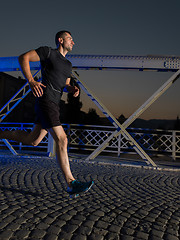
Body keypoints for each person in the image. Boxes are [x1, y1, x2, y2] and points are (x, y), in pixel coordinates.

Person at [0, 30, 94, 197]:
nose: (73, 42)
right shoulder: (48, 52)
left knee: (33, 140)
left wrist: (71, 88)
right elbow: (23, 58)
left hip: (54, 104)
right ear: (60, 40)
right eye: (70, 39)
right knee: (62, 139)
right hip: (45, 101)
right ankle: (71, 183)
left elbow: (64, 84)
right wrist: (31, 81)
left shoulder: (68, 65)